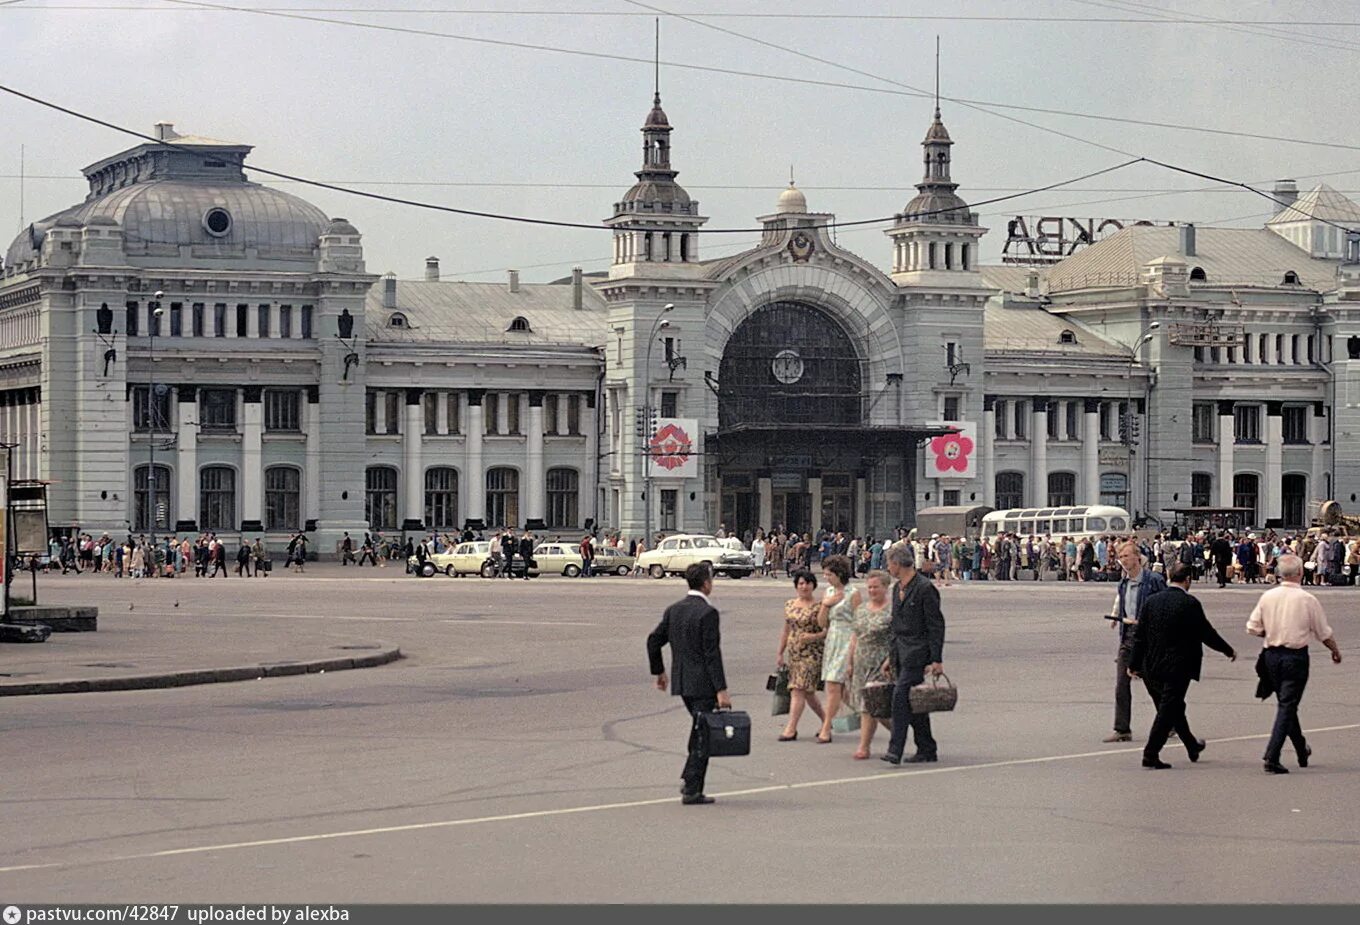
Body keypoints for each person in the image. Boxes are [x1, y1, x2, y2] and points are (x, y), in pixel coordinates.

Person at [1127, 562, 1236, 769]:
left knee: (1173, 707)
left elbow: (1140, 637)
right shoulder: (1189, 603)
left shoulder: (1151, 602)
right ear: (1188, 580)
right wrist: (1227, 650)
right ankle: (1150, 754)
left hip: (1152, 665)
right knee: (1168, 710)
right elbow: (1206, 632)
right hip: (1179, 666)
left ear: (1169, 576)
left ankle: (1192, 745)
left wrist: (1133, 664)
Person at [1246, 554, 1343, 774]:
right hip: (1295, 657)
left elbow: (1252, 627)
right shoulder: (1307, 599)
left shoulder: (1268, 596)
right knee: (1287, 705)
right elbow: (1323, 632)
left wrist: (1270, 632)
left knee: (1286, 705)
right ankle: (1272, 755)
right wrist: (1335, 650)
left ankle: (1301, 747)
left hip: (1271, 655)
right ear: (1300, 573)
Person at [646, 562, 731, 806]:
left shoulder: (675, 610)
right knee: (703, 734)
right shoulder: (708, 613)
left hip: (683, 682)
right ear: (706, 583)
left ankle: (690, 779)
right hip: (703, 684)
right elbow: (711, 654)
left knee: (699, 728)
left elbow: (653, 641)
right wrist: (721, 689)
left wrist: (659, 672)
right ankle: (692, 788)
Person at [880, 543, 945, 764]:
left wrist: (936, 659)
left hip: (918, 652)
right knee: (913, 702)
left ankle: (895, 749)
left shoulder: (925, 588)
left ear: (897, 563)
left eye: (889, 563)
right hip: (900, 651)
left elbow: (936, 626)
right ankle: (927, 748)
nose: (888, 568)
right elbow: (894, 626)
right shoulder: (897, 588)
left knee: (900, 697)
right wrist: (890, 656)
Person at [1103, 541, 1168, 743]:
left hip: (1149, 637)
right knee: (1122, 683)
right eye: (1121, 557)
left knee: (1153, 684)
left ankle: (1170, 722)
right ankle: (1122, 728)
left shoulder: (1153, 580)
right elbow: (1121, 604)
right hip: (1129, 636)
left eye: (1127, 556)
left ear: (1137, 557)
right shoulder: (1123, 584)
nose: (1123, 561)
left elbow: (1165, 605)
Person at [847, 569, 894, 759]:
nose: (872, 591)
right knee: (872, 707)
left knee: (870, 705)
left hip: (882, 664)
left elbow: (899, 638)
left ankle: (863, 746)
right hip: (861, 662)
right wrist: (849, 662)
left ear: (885, 587)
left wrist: (891, 660)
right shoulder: (861, 609)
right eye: (869, 587)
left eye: (876, 587)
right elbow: (855, 636)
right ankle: (901, 731)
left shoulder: (893, 610)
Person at [776, 570, 826, 741]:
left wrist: (813, 637)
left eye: (808, 583)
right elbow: (786, 630)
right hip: (795, 653)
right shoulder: (790, 604)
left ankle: (791, 728)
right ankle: (826, 721)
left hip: (812, 653)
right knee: (808, 692)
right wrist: (780, 652)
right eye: (801, 584)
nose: (804, 587)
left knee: (797, 689)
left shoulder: (819, 607)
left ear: (813, 585)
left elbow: (827, 630)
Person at [815, 554, 856, 744]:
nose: (826, 578)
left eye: (829, 574)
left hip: (847, 640)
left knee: (833, 685)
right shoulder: (829, 592)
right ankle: (869, 714)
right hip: (832, 639)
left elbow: (858, 622)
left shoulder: (853, 593)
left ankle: (826, 727)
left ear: (840, 574)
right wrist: (826, 604)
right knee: (839, 689)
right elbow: (822, 622)